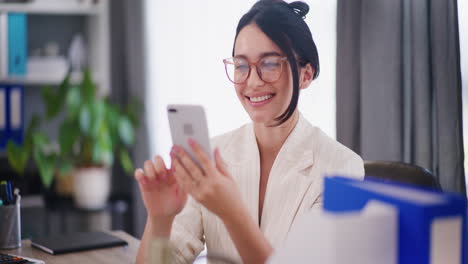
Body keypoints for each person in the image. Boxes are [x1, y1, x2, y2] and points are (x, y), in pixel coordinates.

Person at [135, 1, 364, 263]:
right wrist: (160, 219)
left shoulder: (343, 169)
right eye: (242, 65)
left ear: (305, 75)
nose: (253, 82)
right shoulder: (212, 157)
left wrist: (233, 214)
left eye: (269, 64)